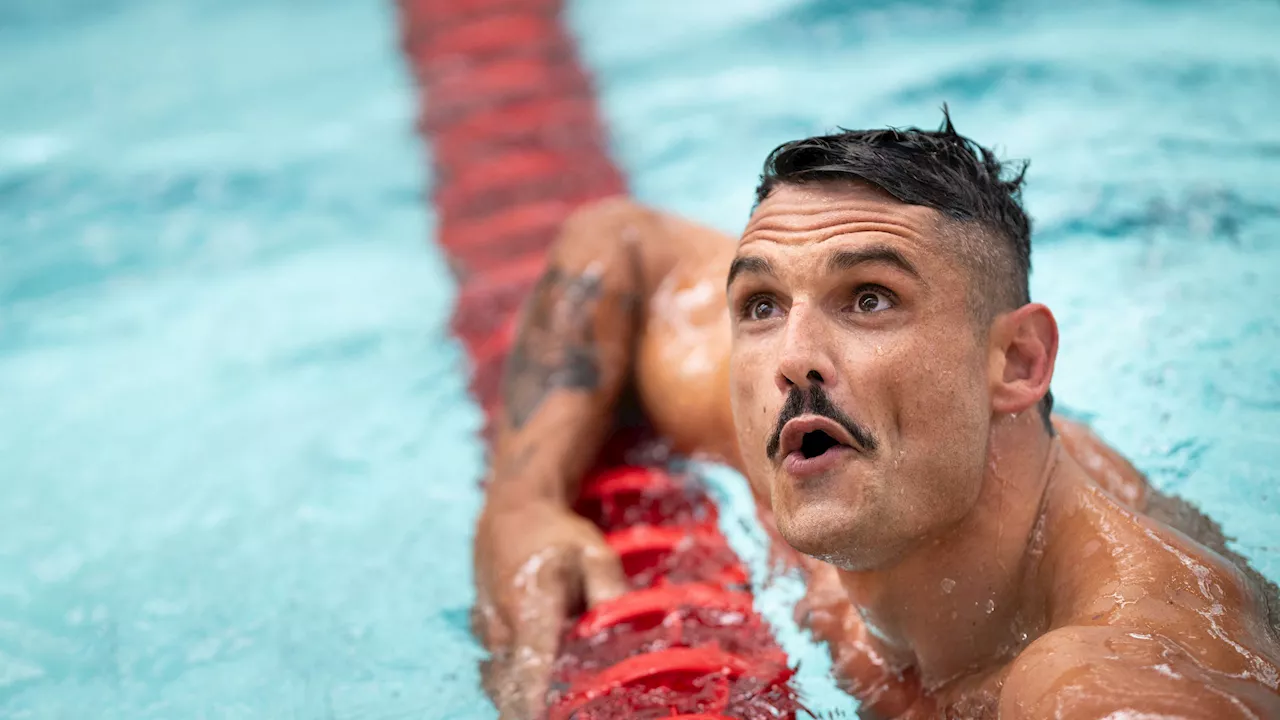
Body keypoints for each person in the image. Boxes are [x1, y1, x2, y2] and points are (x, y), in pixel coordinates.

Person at [472, 113, 1280, 719]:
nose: (793, 354)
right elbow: (618, 242)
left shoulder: (1106, 674)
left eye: (869, 298)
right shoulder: (832, 423)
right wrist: (522, 499)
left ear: (1018, 363)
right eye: (759, 303)